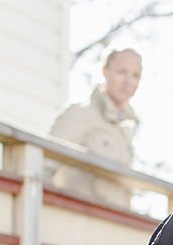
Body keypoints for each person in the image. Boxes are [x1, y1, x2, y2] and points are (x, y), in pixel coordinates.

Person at [48, 46, 142, 208]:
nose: (128, 82)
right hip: (77, 219)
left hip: (113, 224)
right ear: (105, 71)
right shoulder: (79, 114)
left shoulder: (126, 131)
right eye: (121, 72)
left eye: (135, 75)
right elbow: (44, 166)